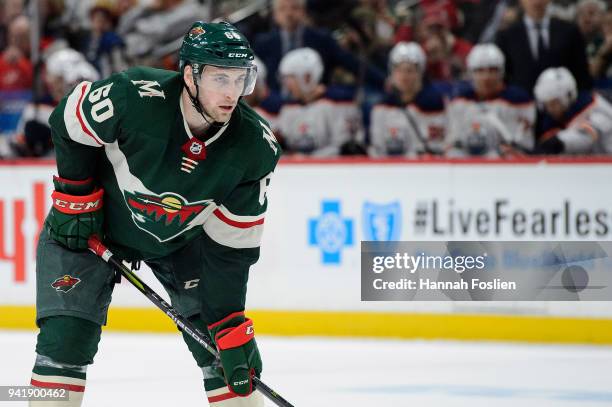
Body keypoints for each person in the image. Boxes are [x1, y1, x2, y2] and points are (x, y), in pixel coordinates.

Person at [28, 21, 280, 407]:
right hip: (92, 225)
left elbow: (232, 248)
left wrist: (228, 322)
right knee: (65, 340)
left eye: (239, 79)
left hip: (182, 242)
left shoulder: (254, 148)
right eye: (219, 78)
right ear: (190, 76)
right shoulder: (134, 96)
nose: (232, 93)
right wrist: (75, 197)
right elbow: (69, 120)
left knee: (223, 354)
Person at [447, 44, 535, 157]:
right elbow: (451, 143)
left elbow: (522, 147)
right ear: (470, 73)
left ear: (502, 72)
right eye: (480, 70)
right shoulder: (460, 101)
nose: (486, 77)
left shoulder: (517, 101)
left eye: (492, 70)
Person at [276, 47, 365, 156]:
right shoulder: (288, 108)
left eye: (290, 78)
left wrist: (306, 158)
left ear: (307, 77)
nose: (287, 84)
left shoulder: (338, 103)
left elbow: (345, 150)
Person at [369, 42, 447, 157]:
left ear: (420, 72)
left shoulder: (434, 104)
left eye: (409, 71)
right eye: (399, 70)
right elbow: (377, 149)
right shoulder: (381, 108)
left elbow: (436, 147)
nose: (403, 76)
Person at [496, 0, 592, 93]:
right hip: (521, 104)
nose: (537, 2)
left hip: (563, 102)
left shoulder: (569, 31)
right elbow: (504, 76)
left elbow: (582, 74)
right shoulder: (507, 36)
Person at [534, 66, 612, 154]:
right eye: (546, 105)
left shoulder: (596, 109)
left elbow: (586, 137)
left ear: (568, 96)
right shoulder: (562, 118)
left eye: (553, 103)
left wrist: (560, 142)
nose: (550, 109)